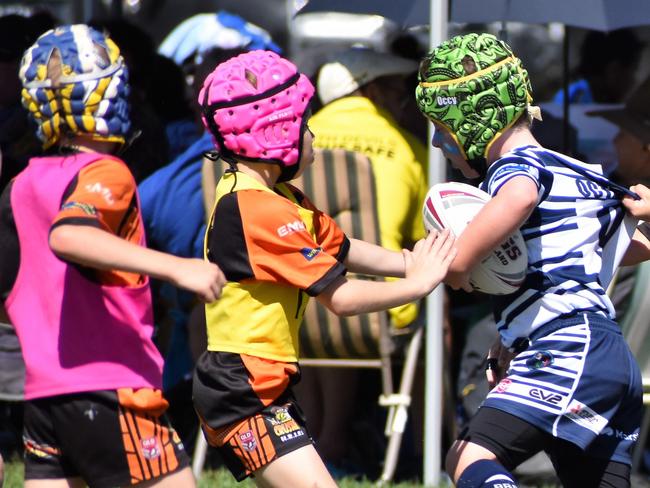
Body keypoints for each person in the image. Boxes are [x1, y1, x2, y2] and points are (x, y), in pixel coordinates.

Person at [192, 49, 457, 487]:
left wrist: (418, 261)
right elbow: (343, 298)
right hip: (243, 389)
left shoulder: (277, 196)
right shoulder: (259, 208)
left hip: (262, 385)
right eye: (304, 123)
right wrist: (418, 284)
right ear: (273, 132)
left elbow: (345, 248)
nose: (313, 134)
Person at [415, 32, 650, 488]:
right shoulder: (578, 172)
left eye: (443, 132)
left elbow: (520, 195)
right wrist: (512, 338)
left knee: (467, 455)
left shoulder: (514, 168)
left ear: (471, 121)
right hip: (609, 359)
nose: (440, 145)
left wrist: (457, 263)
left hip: (568, 347)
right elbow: (623, 250)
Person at [0, 24, 226, 487]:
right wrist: (179, 267)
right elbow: (71, 236)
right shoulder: (108, 172)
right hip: (111, 385)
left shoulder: (21, 184)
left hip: (45, 396)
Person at [553, 28, 643, 105]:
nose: (634, 81)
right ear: (613, 70)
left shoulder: (591, 99)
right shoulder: (575, 101)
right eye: (633, 70)